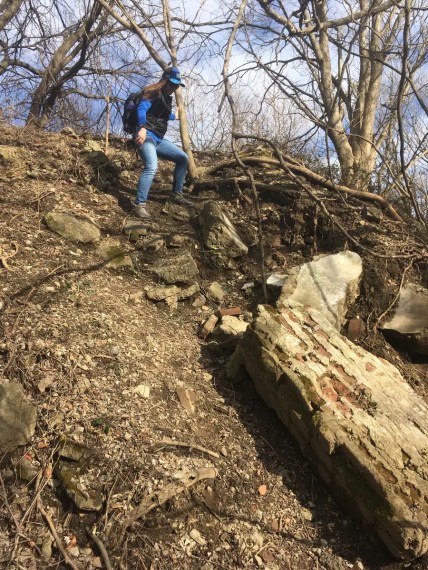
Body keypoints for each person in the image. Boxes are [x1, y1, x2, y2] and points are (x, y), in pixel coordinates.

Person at [132, 66, 192, 219]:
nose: (173, 88)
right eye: (171, 84)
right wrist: (142, 127)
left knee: (183, 158)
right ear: (165, 81)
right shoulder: (153, 92)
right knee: (152, 166)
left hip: (158, 139)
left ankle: (176, 194)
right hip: (146, 136)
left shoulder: (166, 99)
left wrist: (175, 116)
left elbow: (162, 115)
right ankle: (139, 205)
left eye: (176, 86)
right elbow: (141, 109)